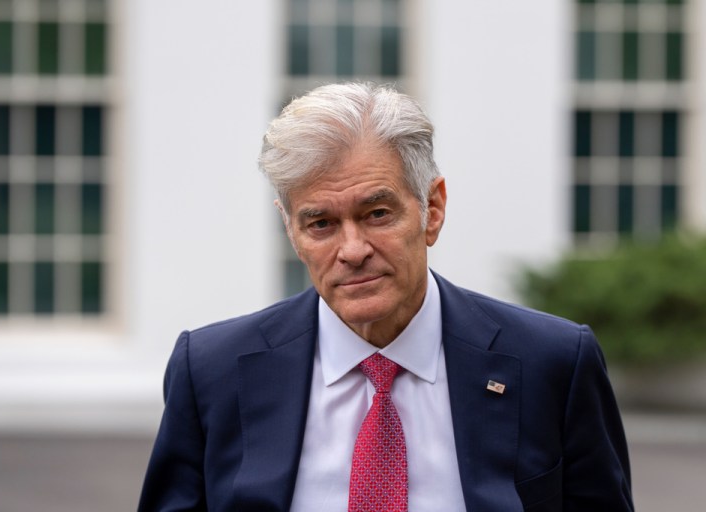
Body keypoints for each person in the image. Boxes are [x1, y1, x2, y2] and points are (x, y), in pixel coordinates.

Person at [138, 82, 633, 512]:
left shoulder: (552, 363)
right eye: (321, 224)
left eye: (377, 213)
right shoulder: (211, 371)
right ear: (291, 231)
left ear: (432, 209)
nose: (352, 250)